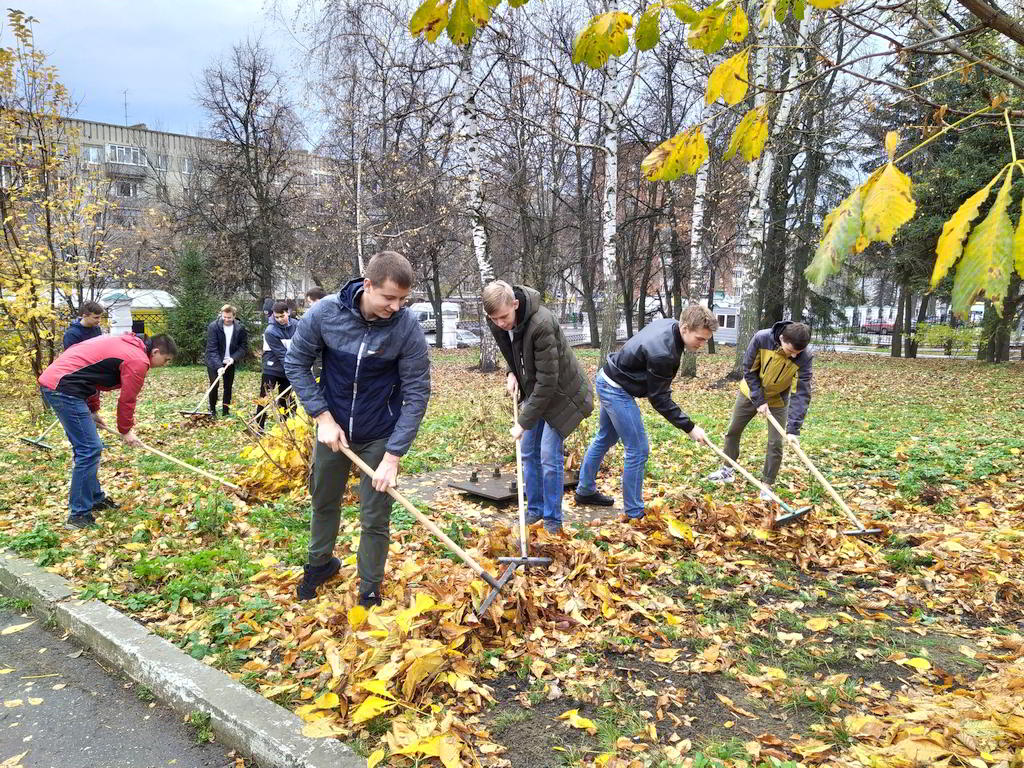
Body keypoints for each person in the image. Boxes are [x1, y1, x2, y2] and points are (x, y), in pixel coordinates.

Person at [285, 251, 430, 607]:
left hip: (380, 434)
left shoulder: (406, 327)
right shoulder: (325, 313)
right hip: (334, 432)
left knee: (375, 515)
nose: (396, 307)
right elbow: (296, 361)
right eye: (389, 298)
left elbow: (417, 392)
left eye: (403, 300)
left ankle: (369, 586)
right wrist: (322, 418)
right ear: (368, 285)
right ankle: (320, 564)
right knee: (323, 501)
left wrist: (393, 456)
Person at [573, 305, 718, 520]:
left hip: (608, 377)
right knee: (638, 449)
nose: (703, 344)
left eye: (706, 340)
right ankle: (634, 512)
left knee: (605, 437)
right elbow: (659, 398)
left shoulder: (670, 325)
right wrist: (690, 427)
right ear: (685, 328)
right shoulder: (664, 353)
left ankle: (585, 491)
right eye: (700, 339)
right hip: (616, 389)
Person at [483, 280, 593, 535]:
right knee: (527, 452)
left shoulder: (541, 323)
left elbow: (548, 381)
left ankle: (553, 521)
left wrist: (522, 422)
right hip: (538, 392)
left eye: (503, 317)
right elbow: (514, 351)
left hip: (563, 395)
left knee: (548, 455)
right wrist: (511, 371)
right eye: (494, 318)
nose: (500, 323)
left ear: (515, 304)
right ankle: (535, 510)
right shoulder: (498, 321)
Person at [37, 333, 177, 529]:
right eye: (166, 359)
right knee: (89, 449)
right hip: (64, 388)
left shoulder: (128, 345)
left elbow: (93, 376)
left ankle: (94, 498)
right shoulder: (137, 359)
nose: (165, 364)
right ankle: (78, 515)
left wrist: (93, 409)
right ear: (155, 351)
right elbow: (127, 399)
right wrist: (126, 430)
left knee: (88, 448)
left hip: (65, 384)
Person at [707, 321, 813, 498]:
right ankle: (727, 470)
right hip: (750, 392)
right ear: (781, 339)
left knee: (775, 443)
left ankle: (766, 485)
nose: (794, 356)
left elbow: (801, 392)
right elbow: (749, 370)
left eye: (798, 353)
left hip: (778, 399)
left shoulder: (805, 356)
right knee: (733, 431)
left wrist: (794, 429)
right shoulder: (762, 338)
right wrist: (759, 400)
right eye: (791, 351)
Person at [204, 304, 249, 418]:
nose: (226, 319)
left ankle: (225, 411)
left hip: (230, 361)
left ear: (234, 316)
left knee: (228, 386)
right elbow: (212, 349)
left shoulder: (240, 328)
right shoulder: (214, 327)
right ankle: (212, 410)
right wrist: (219, 366)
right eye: (224, 317)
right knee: (214, 384)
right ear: (221, 315)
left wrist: (233, 358)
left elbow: (243, 347)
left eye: (229, 317)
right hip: (214, 361)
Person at [258, 301, 297, 430]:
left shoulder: (297, 325)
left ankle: (285, 427)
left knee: (286, 398)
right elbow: (281, 354)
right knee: (265, 397)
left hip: (289, 366)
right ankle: (259, 426)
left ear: (288, 313)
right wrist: (294, 369)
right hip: (272, 367)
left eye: (282, 316)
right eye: (277, 317)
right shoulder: (270, 331)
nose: (280, 319)